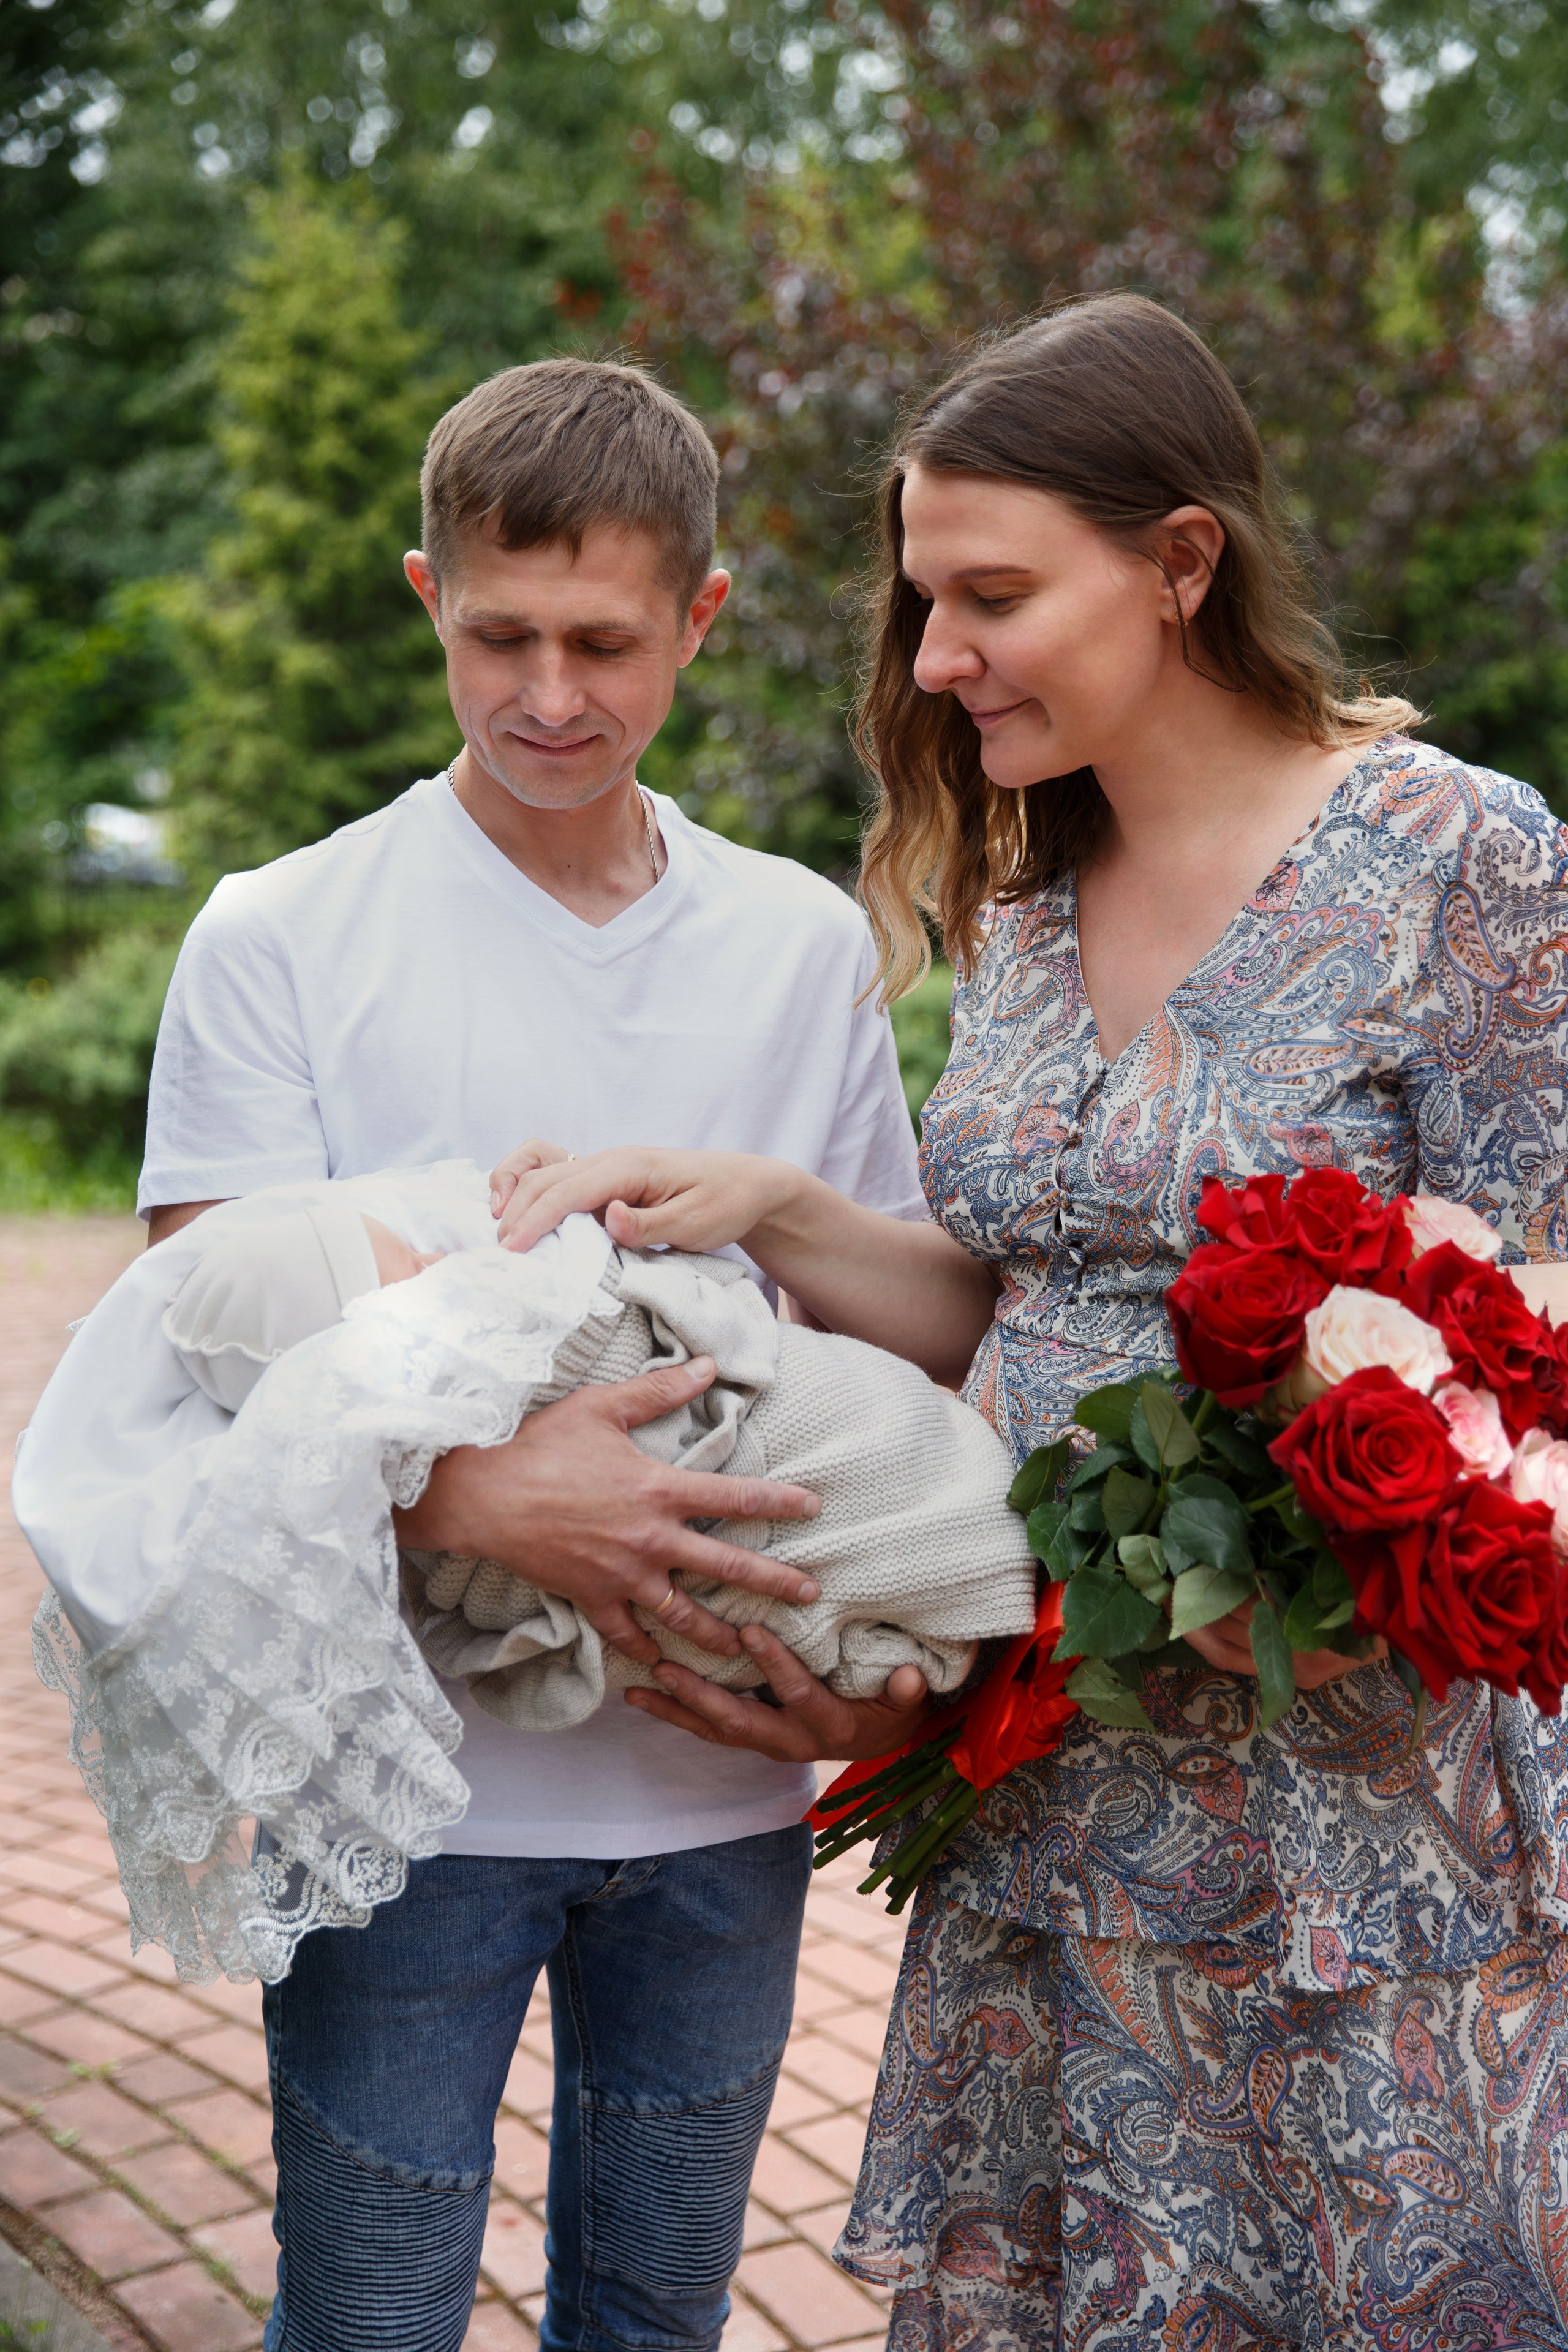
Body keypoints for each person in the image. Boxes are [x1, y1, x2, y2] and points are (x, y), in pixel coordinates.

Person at [485, 295, 1568, 2348]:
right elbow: (1034, 1295)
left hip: (1351, 1820)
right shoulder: (1026, 898)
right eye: (924, 600)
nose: (936, 656)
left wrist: (1312, 1581)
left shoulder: (1458, 860)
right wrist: (795, 1215)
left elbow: (1548, 1349)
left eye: (991, 595)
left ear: (1183, 563)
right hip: (1054, 1795)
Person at [134, 356, 932, 2352]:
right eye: (499, 635)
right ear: (428, 595)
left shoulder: (794, 945)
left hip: (722, 1798)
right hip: (405, 1794)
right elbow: (194, 1344)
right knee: (373, 2321)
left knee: (655, 2322)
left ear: (704, 618)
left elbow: (883, 1325)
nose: (549, 694)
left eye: (605, 640)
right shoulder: (282, 933)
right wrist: (488, 1494)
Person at [154, 1175, 1036, 1722]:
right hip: (473, 1828)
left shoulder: (812, 934)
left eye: (428, 1254)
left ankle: (949, 1545)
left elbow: (664, 1319)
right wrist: (464, 1504)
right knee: (765, 1598)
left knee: (836, 1483)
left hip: (721, 1803)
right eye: (412, 1278)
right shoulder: (276, 928)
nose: (441, 1265)